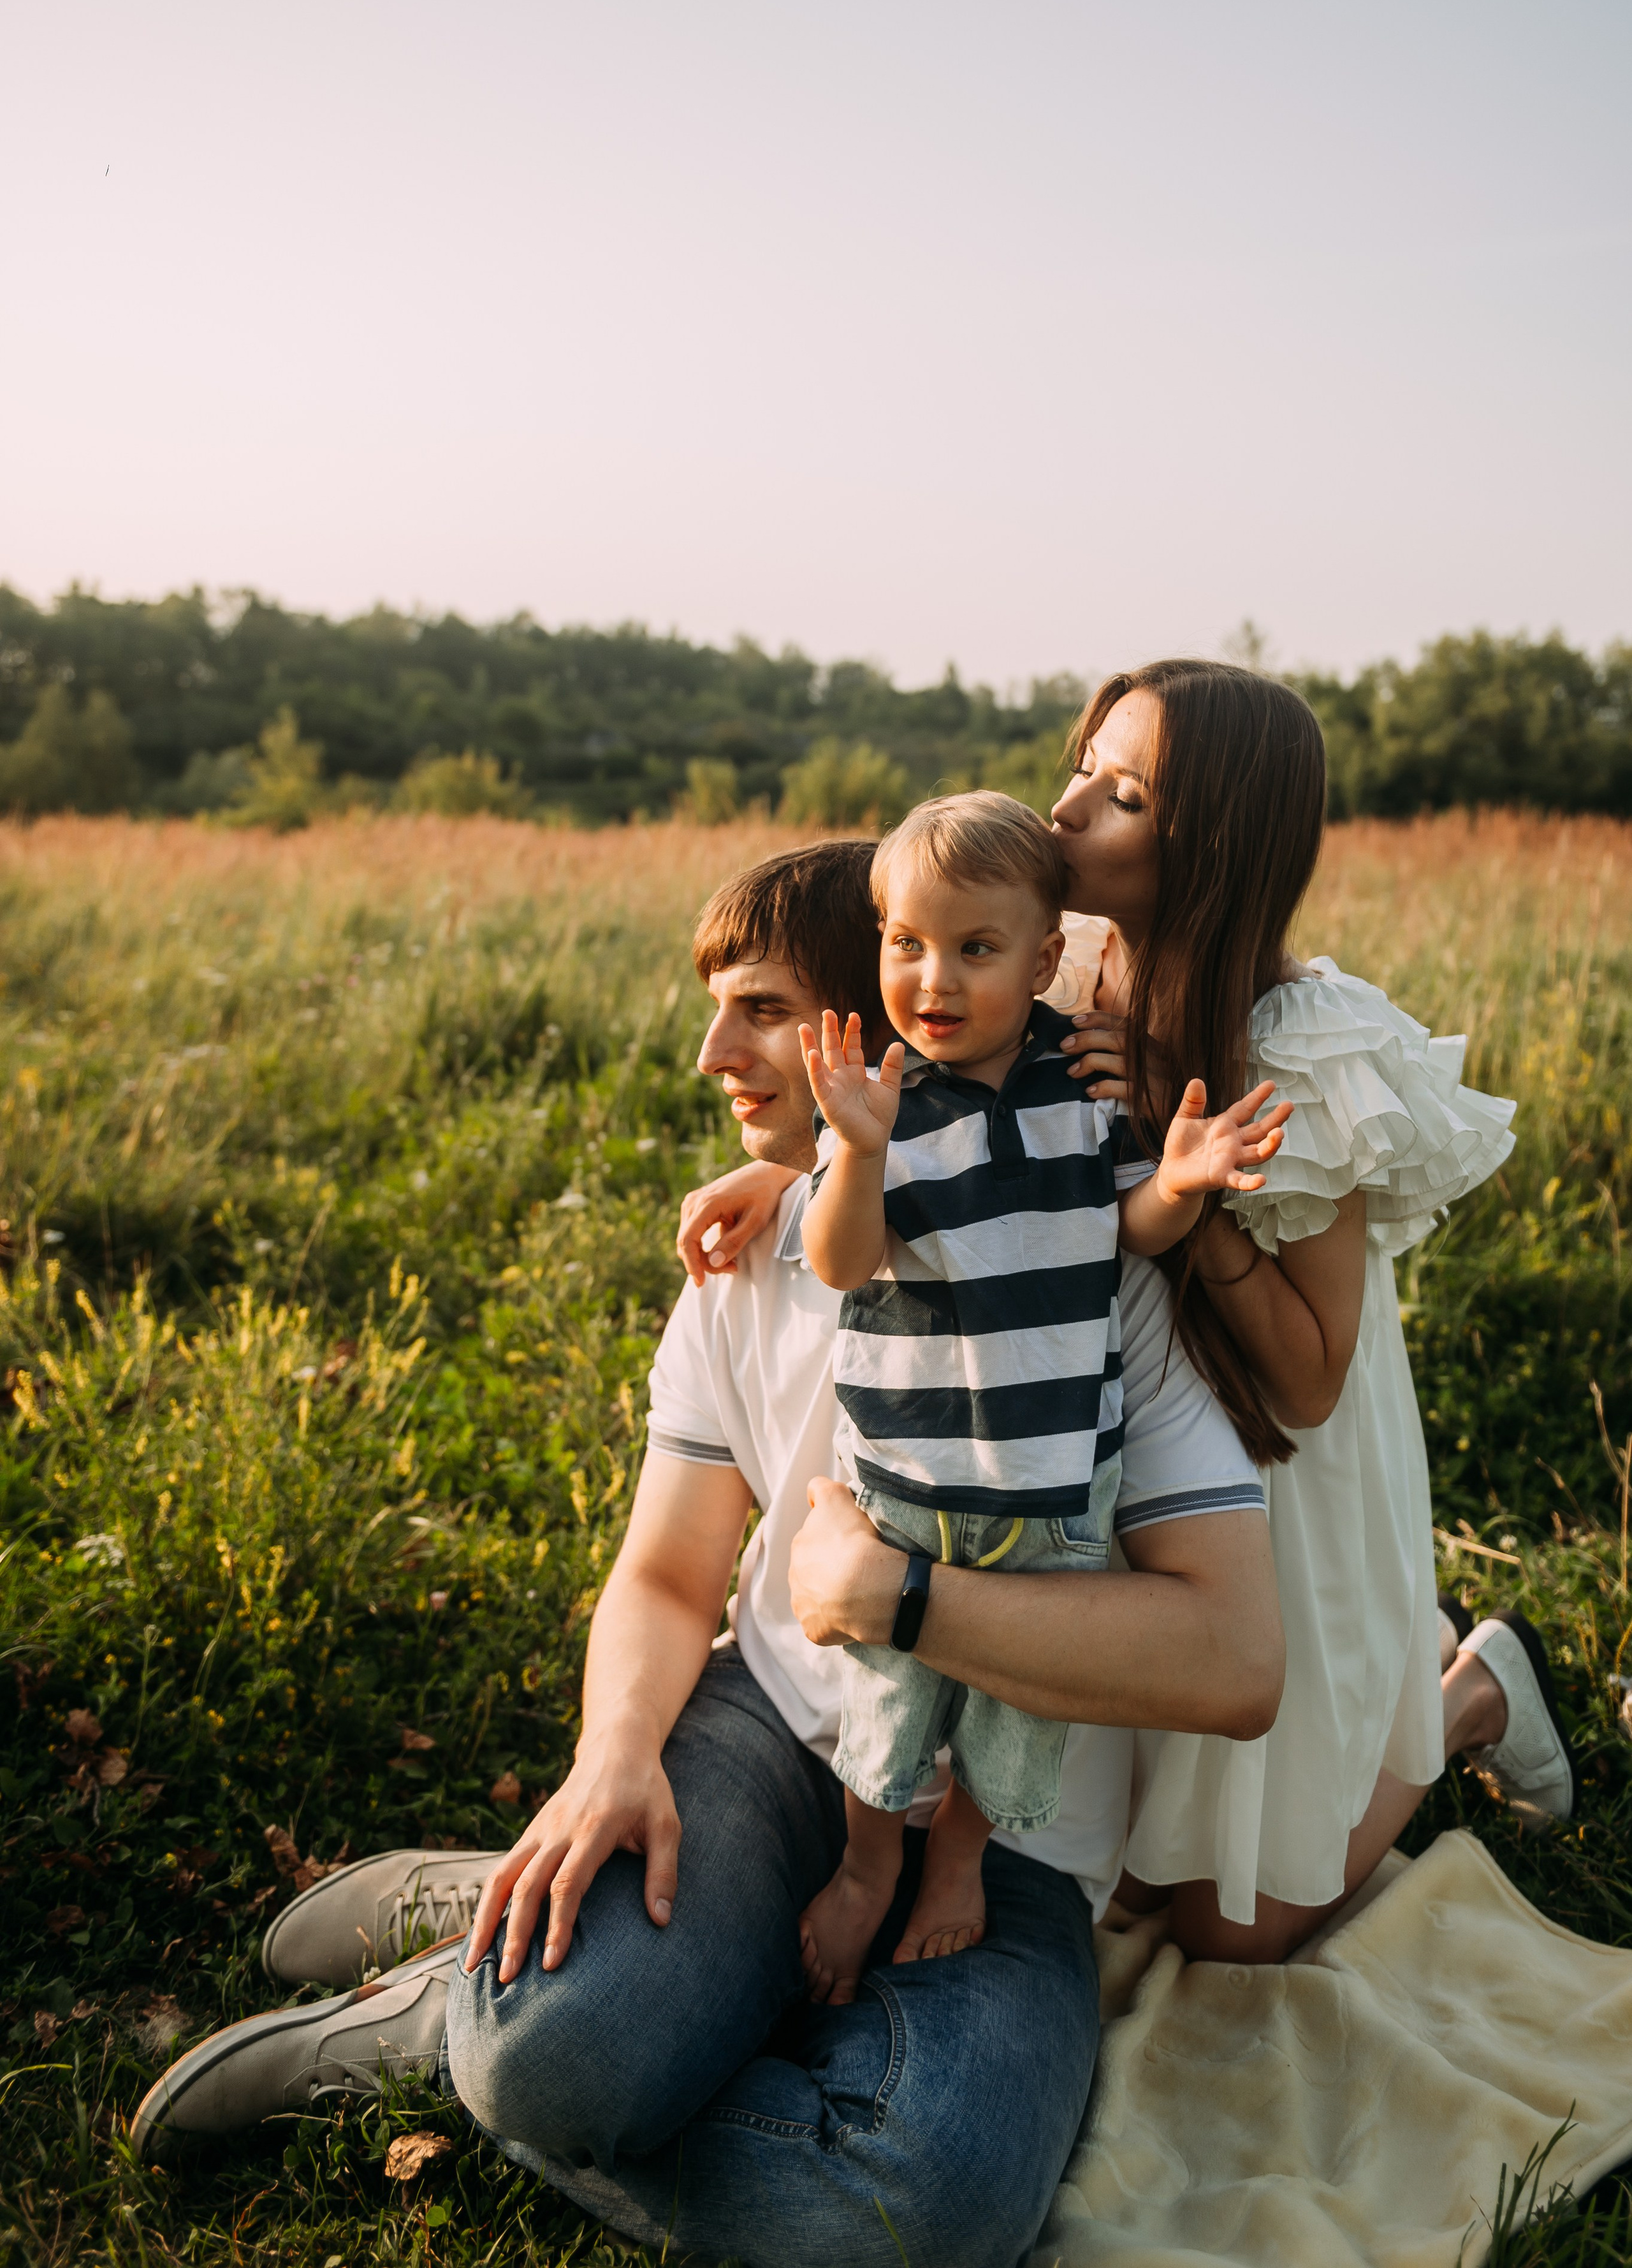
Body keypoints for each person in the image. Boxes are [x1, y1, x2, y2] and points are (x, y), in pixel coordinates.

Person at [133, 838, 1285, 2268]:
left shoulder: (1091, 1279)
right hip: (771, 1739)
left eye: (755, 1008)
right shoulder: (740, 1263)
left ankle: (556, 1994)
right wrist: (615, 1757)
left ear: (854, 1030)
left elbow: (1238, 1664)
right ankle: (471, 2008)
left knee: (920, 2218)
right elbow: (672, 1576)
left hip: (1007, 1851)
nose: (707, 1053)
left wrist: (911, 1600)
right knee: (548, 2062)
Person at [689, 664, 1575, 1971]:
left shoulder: (1307, 1048)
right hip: (1104, 1430)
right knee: (1130, 1850)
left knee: (1233, 1925)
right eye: (1077, 766)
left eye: (1117, 795)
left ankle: (1472, 1687)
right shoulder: (1066, 957)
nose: (1062, 811)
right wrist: (798, 1170)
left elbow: (1308, 1383)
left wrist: (1179, 1161)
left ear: (1206, 843)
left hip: (1280, 1473)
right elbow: (968, 1118)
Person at [794, 792, 1290, 2003]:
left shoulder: (1079, 1083)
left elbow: (1119, 1229)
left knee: (1018, 1710)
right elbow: (841, 1262)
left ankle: (961, 1862)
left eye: (975, 948)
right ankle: (868, 1869)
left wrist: (1178, 1185)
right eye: (907, 944)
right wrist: (855, 1151)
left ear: (1046, 957)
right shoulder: (881, 1098)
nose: (934, 978)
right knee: (886, 1707)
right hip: (910, 1484)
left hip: (1059, 1476)